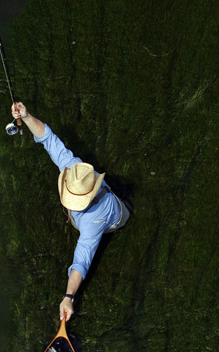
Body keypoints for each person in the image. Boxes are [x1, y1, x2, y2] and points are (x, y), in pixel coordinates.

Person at [11, 102, 130, 322]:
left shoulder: (92, 224)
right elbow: (48, 138)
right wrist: (26, 117)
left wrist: (68, 296)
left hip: (115, 219)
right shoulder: (74, 169)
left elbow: (81, 262)